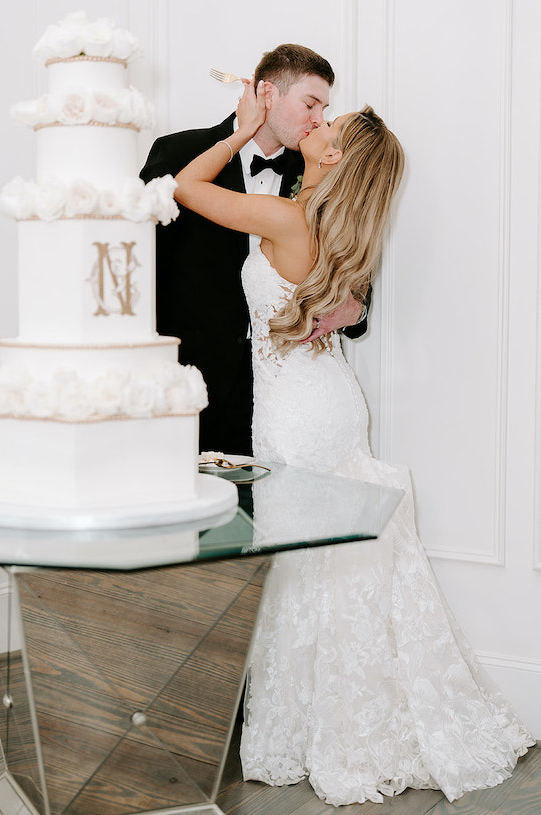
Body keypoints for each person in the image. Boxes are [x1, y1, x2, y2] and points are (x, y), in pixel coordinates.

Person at [173, 80, 534, 805]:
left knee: (307, 569)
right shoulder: (340, 228)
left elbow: (183, 186)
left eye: (323, 118)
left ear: (333, 150)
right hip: (331, 402)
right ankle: (353, 720)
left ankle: (333, 732)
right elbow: (348, 300)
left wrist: (242, 133)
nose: (315, 119)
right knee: (337, 566)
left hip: (293, 413)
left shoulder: (282, 216)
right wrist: (332, 307)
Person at [140, 44, 368, 456]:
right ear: (267, 95)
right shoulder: (178, 154)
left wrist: (357, 308)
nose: (318, 119)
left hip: (285, 393)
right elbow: (138, 269)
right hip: (189, 383)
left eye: (324, 109)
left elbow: (352, 257)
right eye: (310, 104)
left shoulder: (323, 170)